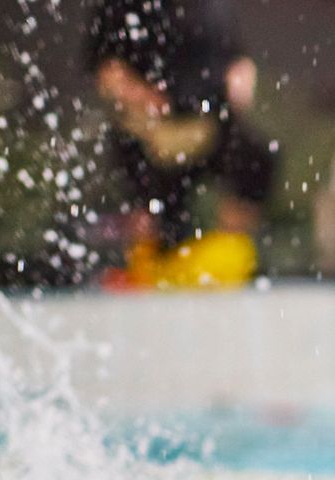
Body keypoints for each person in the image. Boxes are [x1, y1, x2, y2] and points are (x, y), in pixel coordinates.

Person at [88, 0, 277, 286]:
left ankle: (233, 255)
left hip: (210, 122)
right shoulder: (120, 6)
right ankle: (146, 267)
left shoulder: (214, 6)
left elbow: (238, 57)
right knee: (159, 215)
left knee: (258, 160)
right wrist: (144, 98)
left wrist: (241, 79)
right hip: (149, 131)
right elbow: (106, 70)